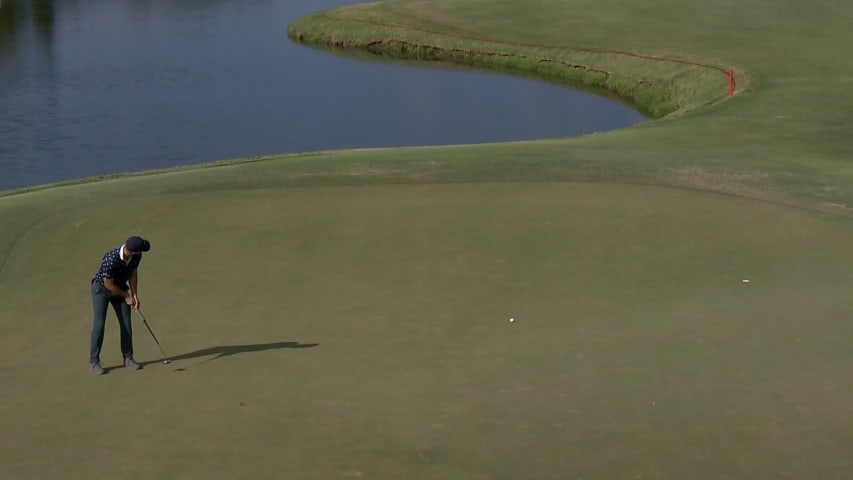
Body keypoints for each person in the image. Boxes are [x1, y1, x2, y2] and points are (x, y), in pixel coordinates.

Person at [89, 235, 151, 374]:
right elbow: (108, 283)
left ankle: (128, 358)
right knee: (99, 325)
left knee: (126, 324)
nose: (141, 252)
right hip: (101, 291)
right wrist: (127, 296)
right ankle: (94, 361)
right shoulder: (111, 259)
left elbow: (133, 273)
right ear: (134, 251)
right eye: (141, 250)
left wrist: (134, 294)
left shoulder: (136, 256)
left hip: (120, 289)